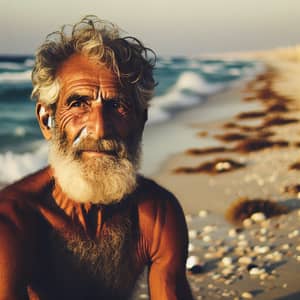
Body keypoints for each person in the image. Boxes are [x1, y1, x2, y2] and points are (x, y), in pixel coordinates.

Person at [0, 16, 193, 300]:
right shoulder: (13, 222)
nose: (100, 128)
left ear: (140, 122)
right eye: (78, 104)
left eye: (118, 105)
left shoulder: (156, 215)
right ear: (46, 120)